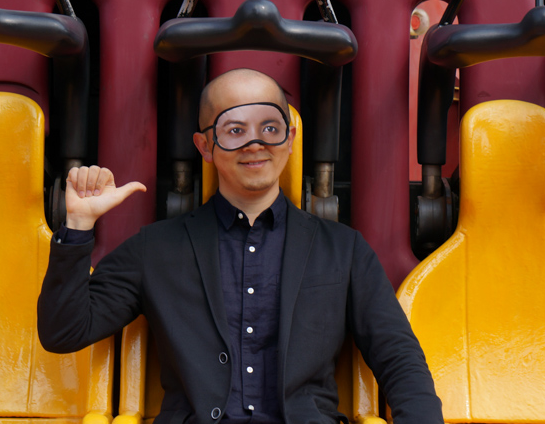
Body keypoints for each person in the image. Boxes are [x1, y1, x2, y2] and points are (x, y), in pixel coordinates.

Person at [38, 68, 442, 424]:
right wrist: (78, 225)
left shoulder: (344, 250)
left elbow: (399, 359)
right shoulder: (155, 249)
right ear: (205, 146)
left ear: (290, 138)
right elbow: (64, 331)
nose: (255, 143)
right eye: (235, 130)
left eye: (270, 128)